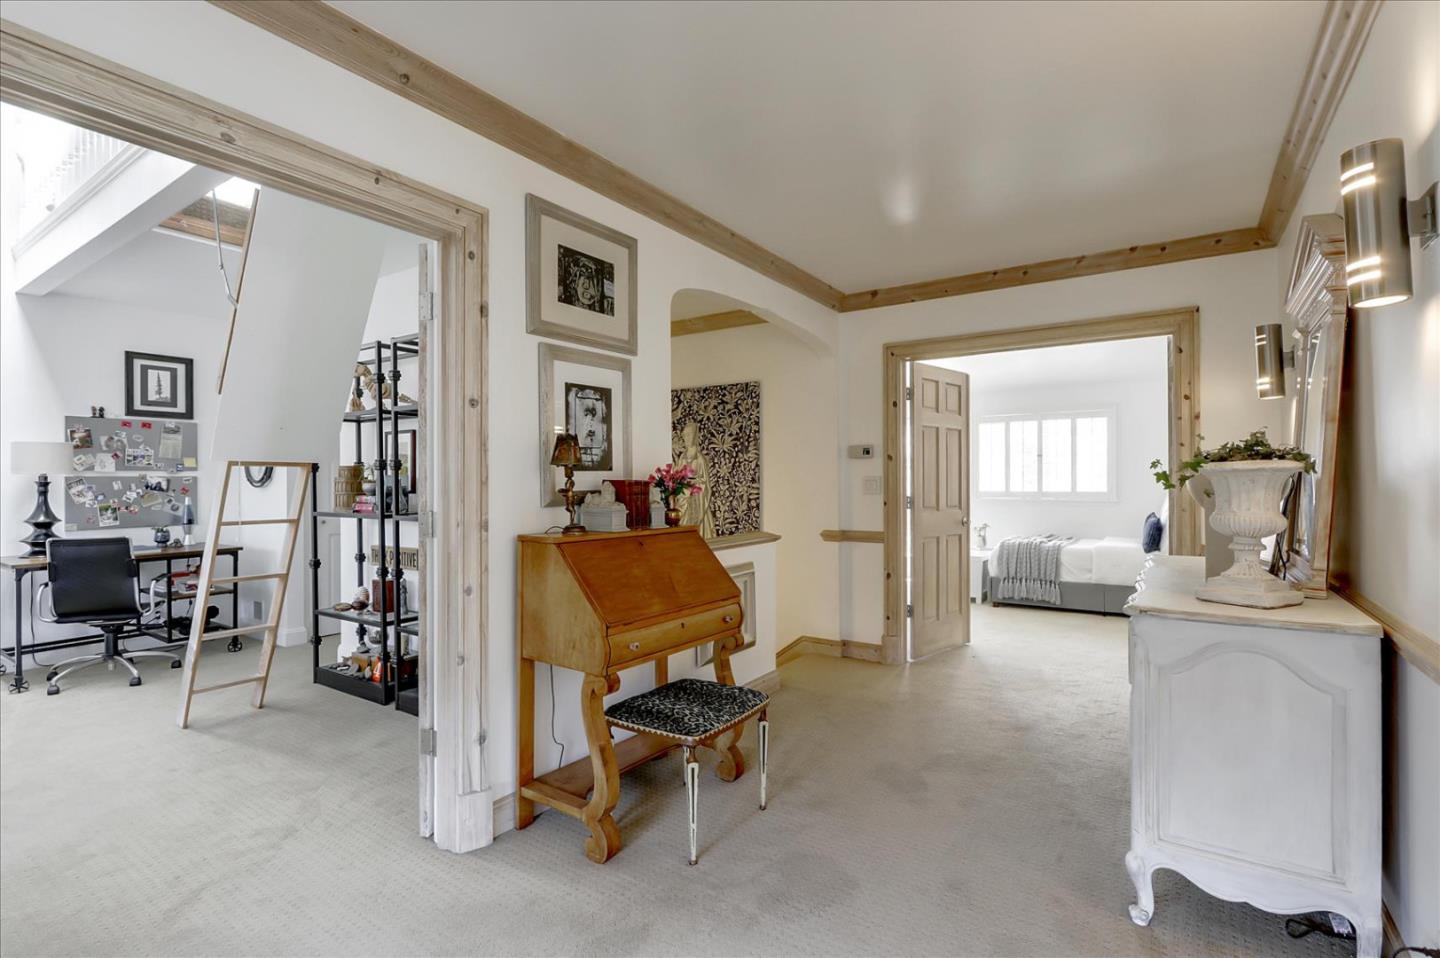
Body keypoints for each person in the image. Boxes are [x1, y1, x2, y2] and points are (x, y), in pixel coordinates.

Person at [674, 421, 715, 539]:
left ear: (694, 436)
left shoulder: (700, 459)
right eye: (685, 435)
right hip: (684, 495)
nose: (686, 438)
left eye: (689, 435)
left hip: (696, 497)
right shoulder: (682, 457)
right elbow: (677, 475)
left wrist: (693, 484)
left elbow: (705, 482)